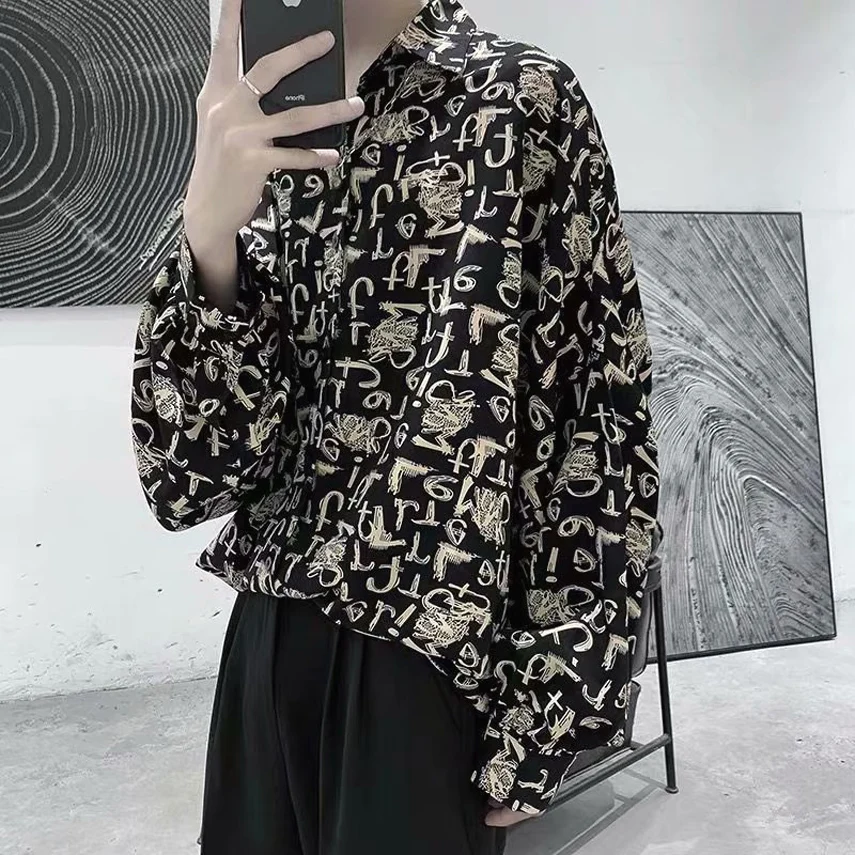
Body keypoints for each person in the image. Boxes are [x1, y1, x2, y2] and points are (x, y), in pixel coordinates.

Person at [129, 0, 661, 852]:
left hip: (431, 651)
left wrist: (554, 696)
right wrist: (208, 235)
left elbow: (595, 421)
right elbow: (191, 475)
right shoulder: (261, 117)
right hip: (266, 633)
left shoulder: (518, 97)